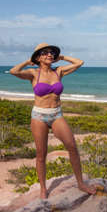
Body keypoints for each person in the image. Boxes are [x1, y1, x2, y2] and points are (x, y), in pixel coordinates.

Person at [10, 43, 96, 198]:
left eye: (51, 53)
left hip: (56, 114)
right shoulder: (33, 73)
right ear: (38, 57)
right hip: (39, 116)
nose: (49, 55)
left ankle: (81, 184)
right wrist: (27, 62)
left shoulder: (59, 71)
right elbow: (13, 71)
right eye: (44, 53)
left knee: (72, 147)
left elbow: (79, 62)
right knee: (41, 154)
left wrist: (61, 57)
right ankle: (43, 189)